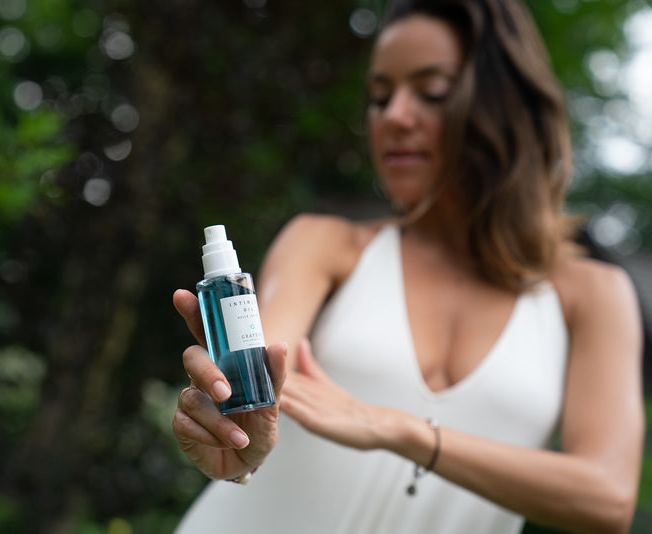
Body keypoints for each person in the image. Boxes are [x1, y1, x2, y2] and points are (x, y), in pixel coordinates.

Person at [171, 0, 645, 532]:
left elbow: (608, 498)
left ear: (505, 103)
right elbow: (261, 379)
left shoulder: (593, 295)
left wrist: (398, 429)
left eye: (432, 92)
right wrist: (237, 427)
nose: (393, 116)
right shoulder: (325, 245)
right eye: (380, 97)